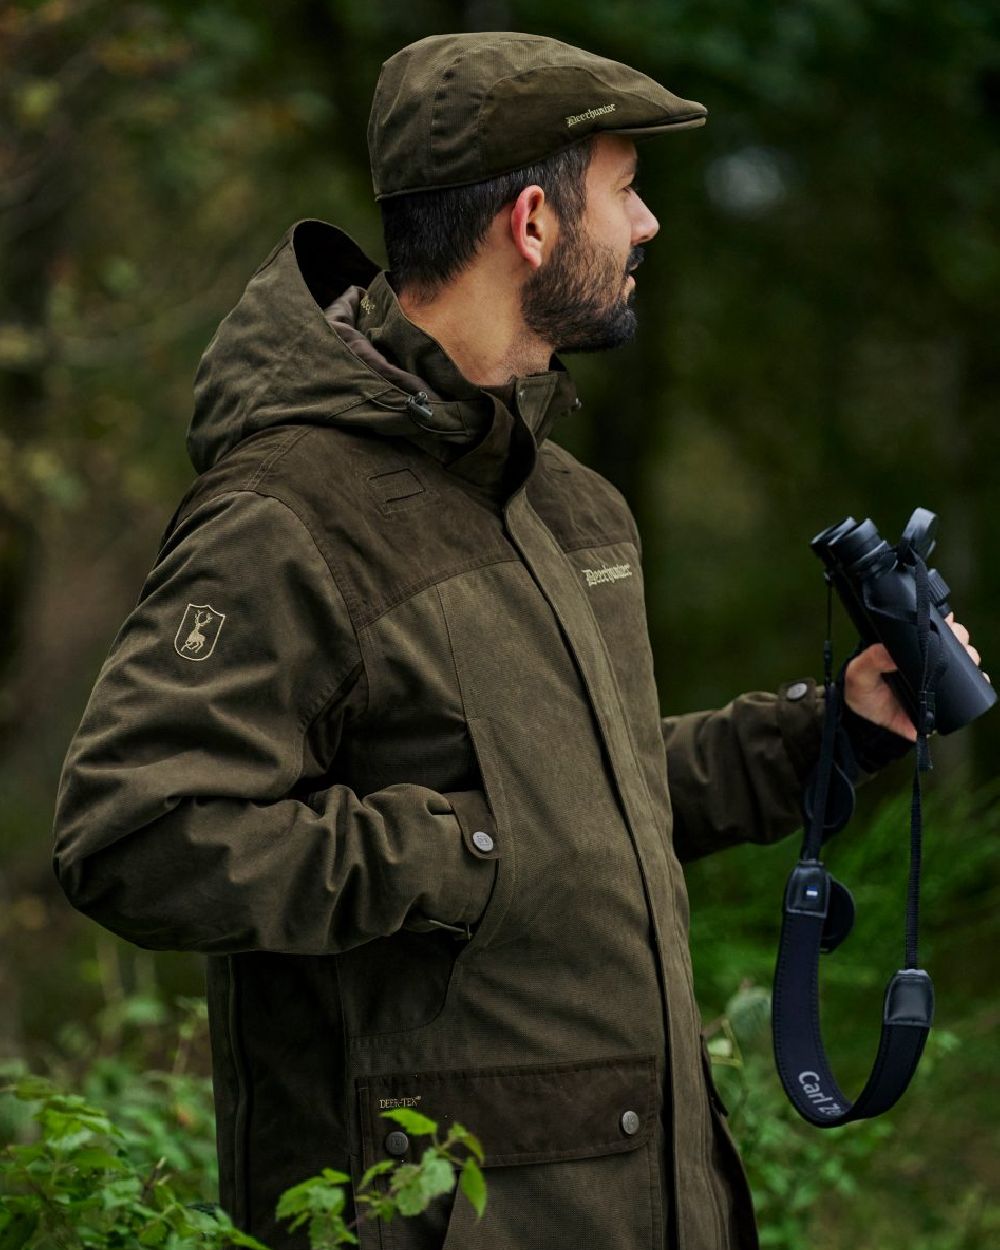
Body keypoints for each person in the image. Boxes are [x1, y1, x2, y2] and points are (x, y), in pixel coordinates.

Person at [51, 32, 982, 1250]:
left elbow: (594, 797)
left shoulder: (570, 503)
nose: (646, 226)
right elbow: (136, 828)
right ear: (533, 224)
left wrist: (830, 732)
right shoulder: (287, 512)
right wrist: (458, 849)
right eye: (624, 189)